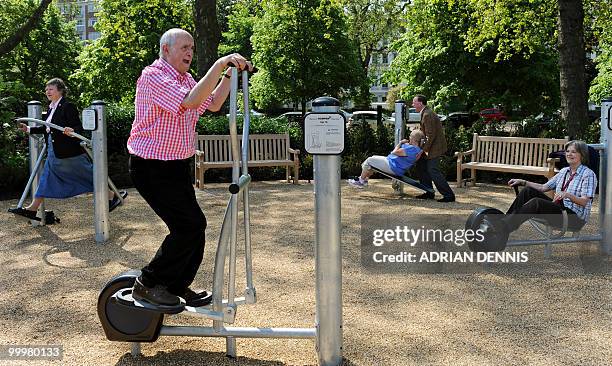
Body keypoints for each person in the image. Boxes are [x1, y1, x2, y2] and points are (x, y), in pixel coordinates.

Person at [127, 28, 252, 309]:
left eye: (192, 48)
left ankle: (176, 286)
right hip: (152, 166)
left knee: (195, 226)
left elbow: (214, 103)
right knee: (188, 226)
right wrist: (220, 63)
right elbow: (191, 102)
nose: (189, 53)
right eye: (183, 47)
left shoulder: (185, 79)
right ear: (165, 50)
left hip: (176, 166)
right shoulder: (154, 75)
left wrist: (230, 74)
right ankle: (148, 284)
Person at [8, 78, 126, 221]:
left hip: (68, 152)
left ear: (60, 90)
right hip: (55, 151)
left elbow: (77, 127)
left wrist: (71, 130)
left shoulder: (67, 106)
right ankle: (33, 208)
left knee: (88, 175)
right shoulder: (51, 107)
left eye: (51, 89)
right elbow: (47, 128)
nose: (47, 92)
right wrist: (28, 129)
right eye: (46, 90)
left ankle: (111, 196)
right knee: (47, 178)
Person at [484, 140, 597, 235]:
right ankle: (503, 222)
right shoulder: (563, 171)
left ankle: (502, 227)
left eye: (573, 152)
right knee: (528, 191)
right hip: (559, 210)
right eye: (567, 151)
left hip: (574, 218)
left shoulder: (588, 174)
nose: (569, 154)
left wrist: (567, 195)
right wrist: (523, 182)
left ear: (582, 155)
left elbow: (584, 202)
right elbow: (544, 187)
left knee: (536, 203)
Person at [412, 95, 456, 202]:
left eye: (414, 102)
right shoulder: (425, 113)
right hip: (431, 146)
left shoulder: (427, 114)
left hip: (435, 148)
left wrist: (422, 150)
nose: (412, 105)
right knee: (421, 165)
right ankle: (429, 191)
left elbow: (430, 135)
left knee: (432, 170)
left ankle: (449, 195)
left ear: (421, 103)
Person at [348, 129, 425, 188]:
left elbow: (394, 152)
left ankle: (361, 181)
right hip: (395, 166)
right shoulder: (418, 150)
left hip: (392, 166)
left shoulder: (412, 149)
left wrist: (400, 143)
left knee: (369, 160)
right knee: (372, 160)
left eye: (410, 137)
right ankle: (364, 179)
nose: (409, 138)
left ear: (413, 139)